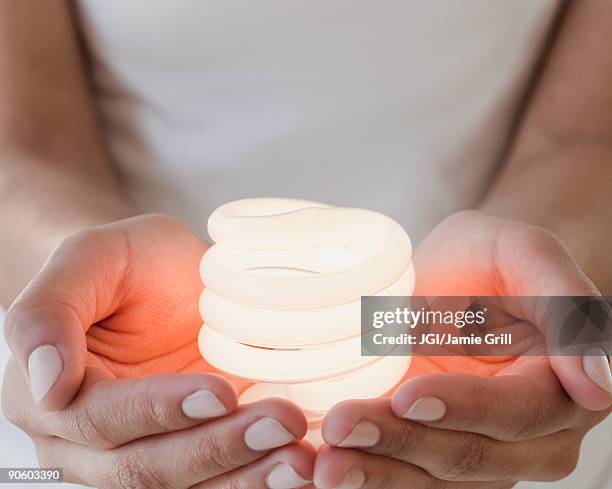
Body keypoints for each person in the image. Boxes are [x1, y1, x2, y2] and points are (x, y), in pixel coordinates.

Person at [1, 0, 611, 488]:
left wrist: (559, 303)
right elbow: (25, 146)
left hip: (421, 330)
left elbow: (588, 139)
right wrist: (72, 273)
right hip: (148, 353)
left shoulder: (395, 320)